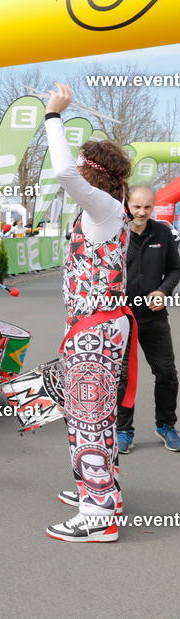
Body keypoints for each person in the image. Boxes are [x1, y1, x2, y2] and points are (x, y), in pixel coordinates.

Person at [43, 82, 134, 542]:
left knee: (86, 417)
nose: (75, 166)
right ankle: (105, 492)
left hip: (96, 329)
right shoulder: (106, 209)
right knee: (94, 413)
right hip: (95, 326)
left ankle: (97, 515)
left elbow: (61, 172)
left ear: (91, 172)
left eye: (82, 163)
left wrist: (52, 116)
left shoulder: (102, 207)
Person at [113, 185, 180, 453]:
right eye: (136, 206)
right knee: (123, 377)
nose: (141, 212)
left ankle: (166, 425)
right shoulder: (113, 233)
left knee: (167, 373)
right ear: (127, 204)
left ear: (154, 207)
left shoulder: (162, 231)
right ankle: (123, 430)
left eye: (147, 207)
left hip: (154, 317)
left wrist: (163, 291)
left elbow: (176, 268)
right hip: (121, 316)